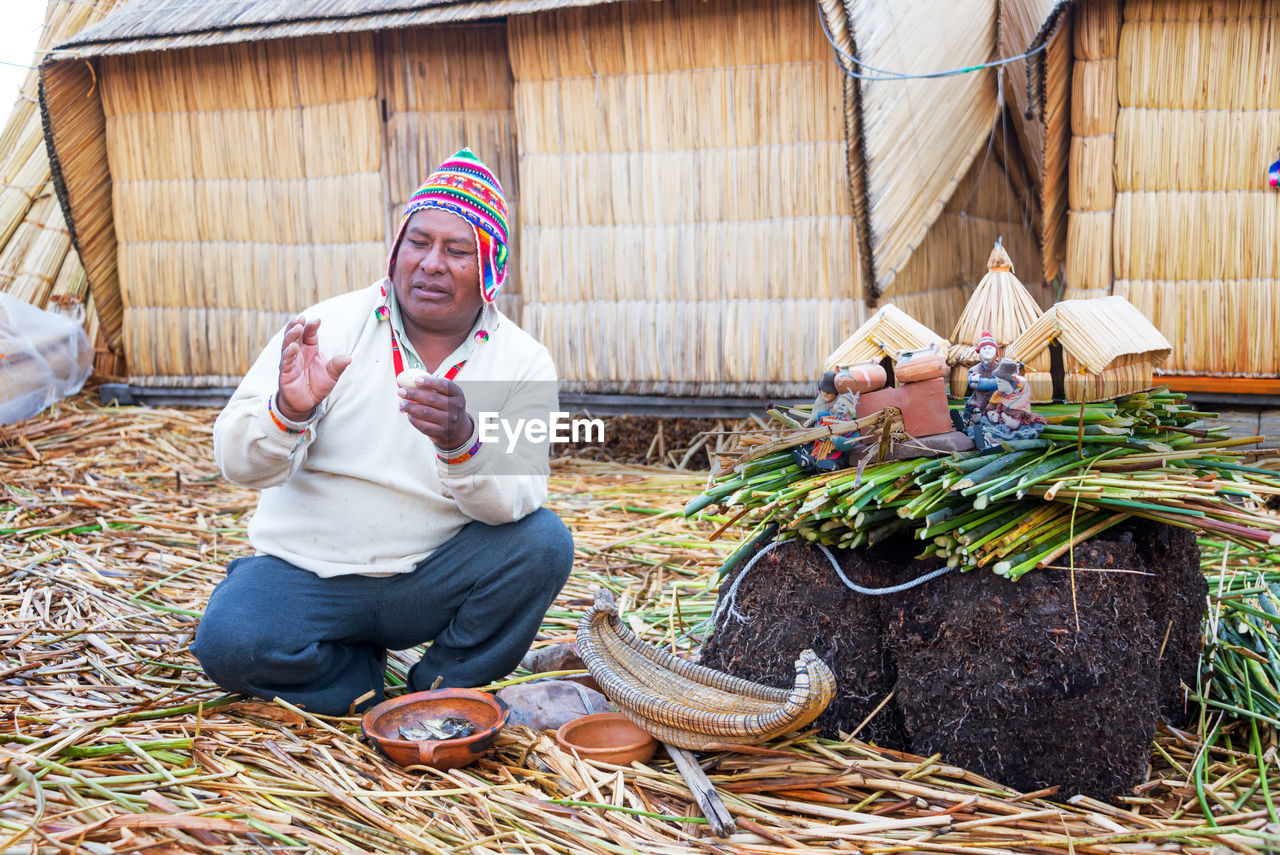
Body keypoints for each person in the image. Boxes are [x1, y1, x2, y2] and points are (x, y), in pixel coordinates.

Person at [192, 149, 574, 716]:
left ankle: (440, 691)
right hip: (308, 571)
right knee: (228, 645)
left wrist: (462, 442)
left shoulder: (517, 360)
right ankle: (356, 680)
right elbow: (238, 464)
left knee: (542, 543)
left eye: (457, 250)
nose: (431, 264)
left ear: (491, 267)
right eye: (418, 243)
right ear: (396, 250)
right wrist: (288, 411)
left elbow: (512, 505)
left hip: (430, 576)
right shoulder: (330, 328)